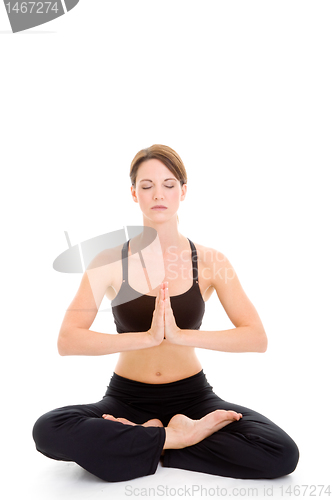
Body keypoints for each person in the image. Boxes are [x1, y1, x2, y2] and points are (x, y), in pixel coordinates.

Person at [32, 144, 299, 482]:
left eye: (169, 184)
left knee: (280, 452)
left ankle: (142, 442)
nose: (158, 194)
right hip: (125, 400)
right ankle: (173, 439)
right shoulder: (108, 261)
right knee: (48, 429)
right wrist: (145, 338)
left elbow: (256, 337)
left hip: (193, 397)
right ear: (134, 194)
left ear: (183, 191)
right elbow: (68, 340)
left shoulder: (212, 261)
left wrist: (180, 335)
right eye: (147, 186)